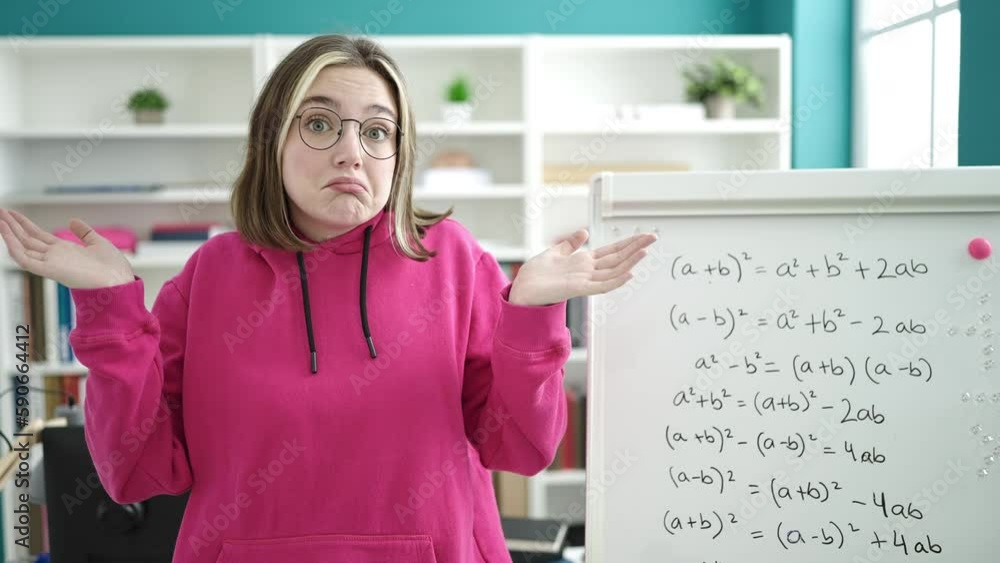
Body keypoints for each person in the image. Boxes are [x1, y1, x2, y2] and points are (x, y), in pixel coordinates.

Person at [0, 34, 655, 563]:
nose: (350, 152)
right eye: (319, 123)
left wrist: (532, 313)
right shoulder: (210, 275)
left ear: (398, 155)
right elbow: (138, 472)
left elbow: (522, 450)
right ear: (272, 140)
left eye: (377, 132)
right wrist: (110, 307)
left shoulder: (455, 260)